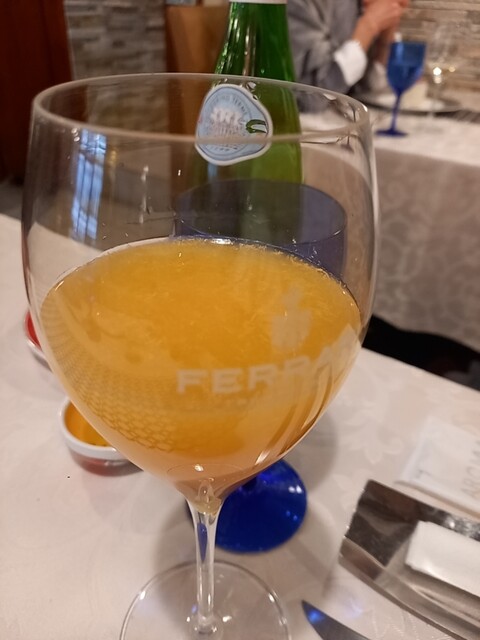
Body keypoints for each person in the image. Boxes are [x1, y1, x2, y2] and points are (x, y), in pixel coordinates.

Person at [287, 0, 410, 95]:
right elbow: (309, 98)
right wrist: (369, 26)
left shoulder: (357, 6)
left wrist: (386, 34)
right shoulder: (306, 4)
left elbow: (368, 89)